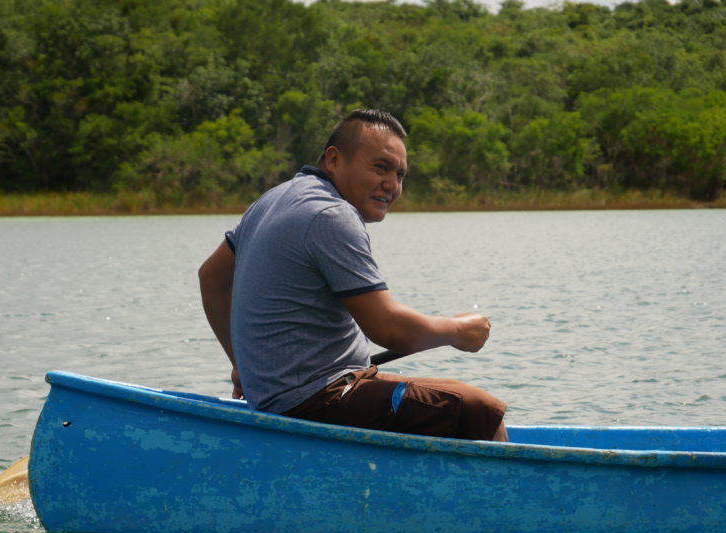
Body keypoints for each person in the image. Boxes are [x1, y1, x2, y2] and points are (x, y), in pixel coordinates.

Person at [198, 109, 508, 441]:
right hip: (312, 401)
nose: (392, 185)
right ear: (334, 159)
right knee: (477, 410)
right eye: (381, 168)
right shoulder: (331, 215)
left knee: (445, 403)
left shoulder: (274, 198)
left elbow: (211, 278)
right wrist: (458, 330)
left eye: (400, 175)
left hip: (292, 395)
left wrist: (243, 368)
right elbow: (388, 328)